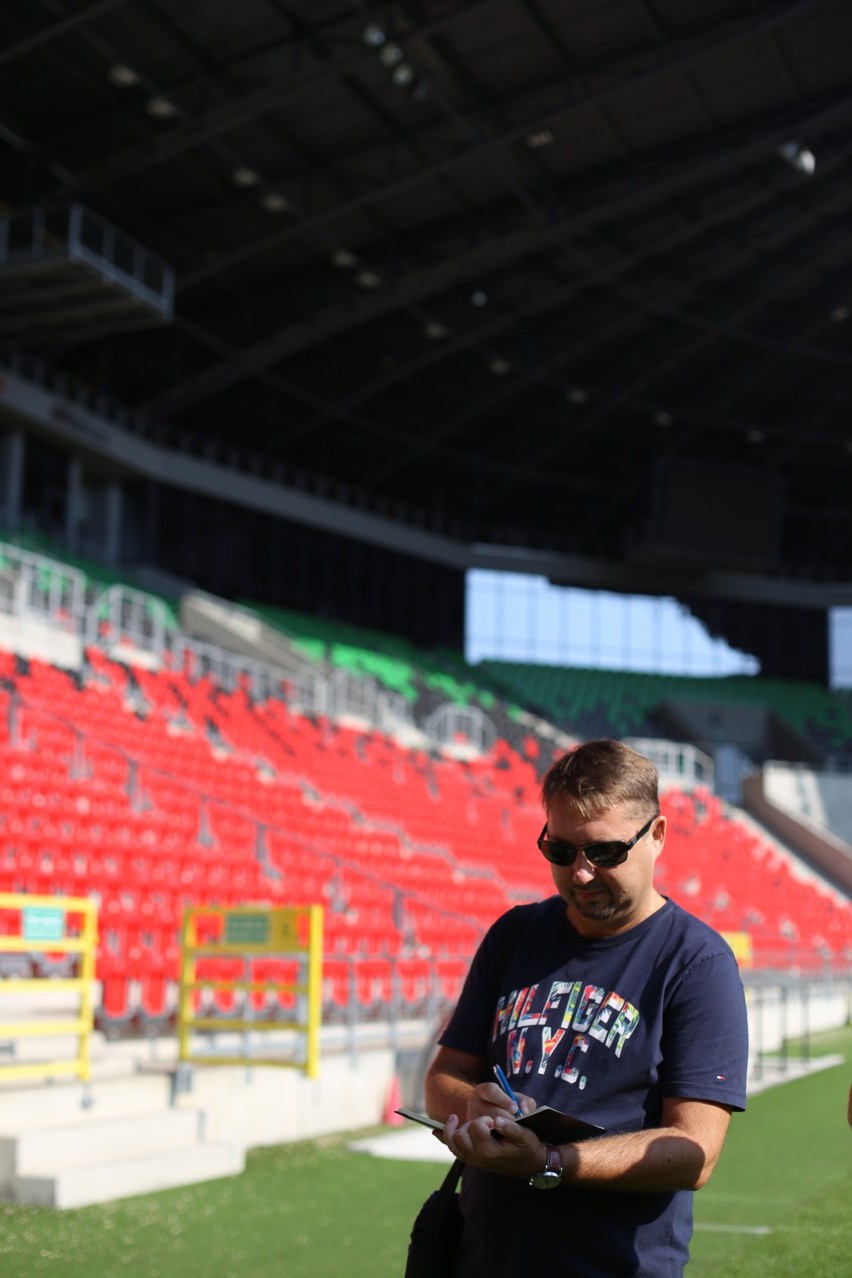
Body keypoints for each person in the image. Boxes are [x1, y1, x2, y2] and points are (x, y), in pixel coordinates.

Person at [424, 739, 749, 1278]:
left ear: (658, 837)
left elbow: (695, 1150)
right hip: (480, 1259)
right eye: (561, 850)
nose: (580, 873)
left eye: (604, 852)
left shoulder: (697, 962)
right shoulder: (514, 934)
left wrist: (551, 1163)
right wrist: (471, 1107)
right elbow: (446, 1076)